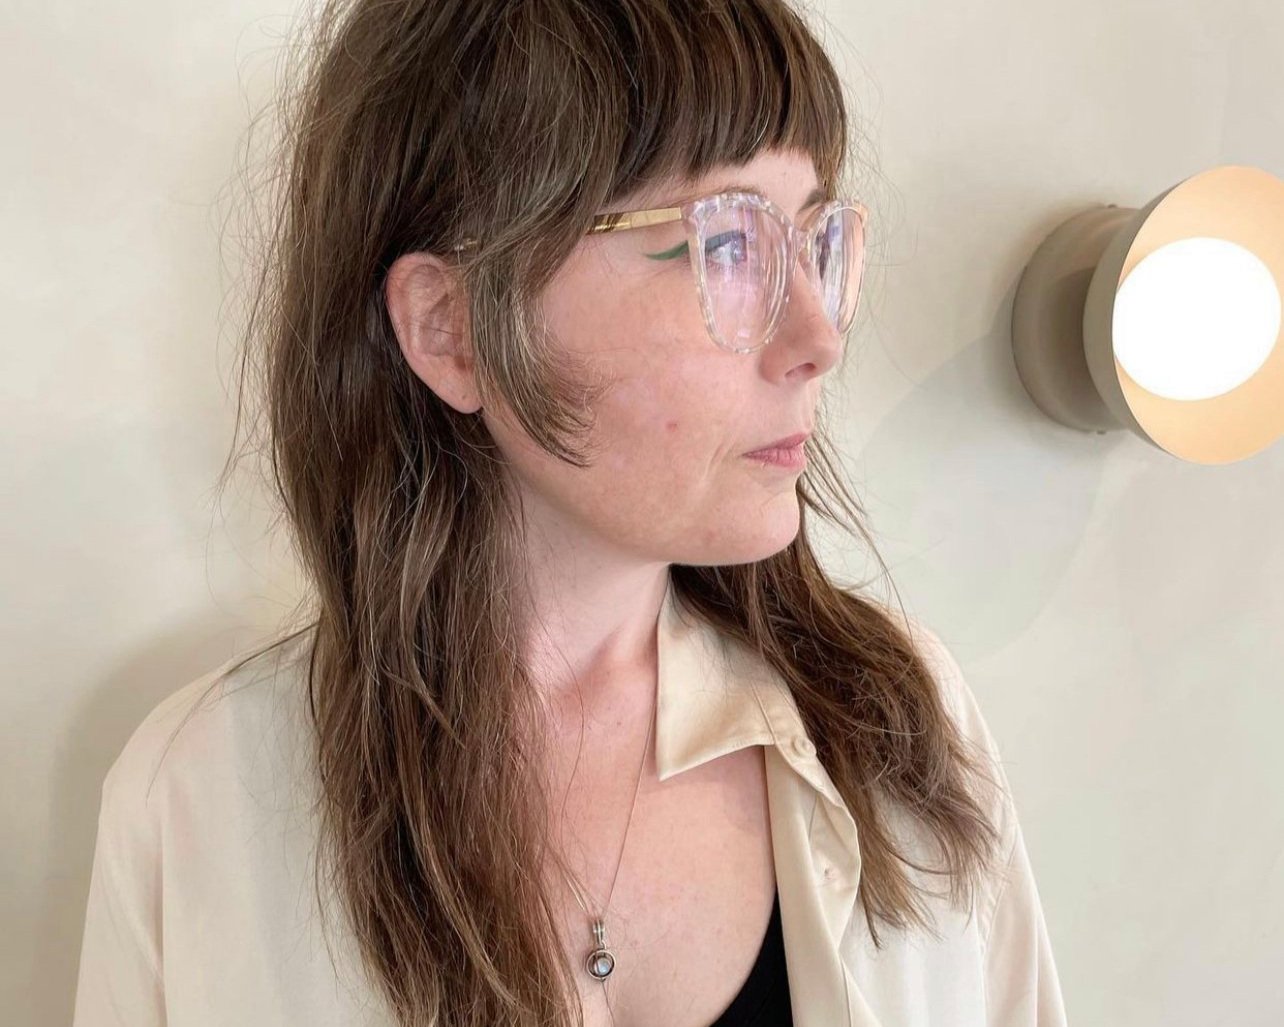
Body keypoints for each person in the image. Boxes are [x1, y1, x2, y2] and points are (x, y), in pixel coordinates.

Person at [72, 1, 1069, 1025]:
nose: (818, 337)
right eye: (728, 244)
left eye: (814, 239)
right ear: (450, 327)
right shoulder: (198, 804)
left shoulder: (900, 728)